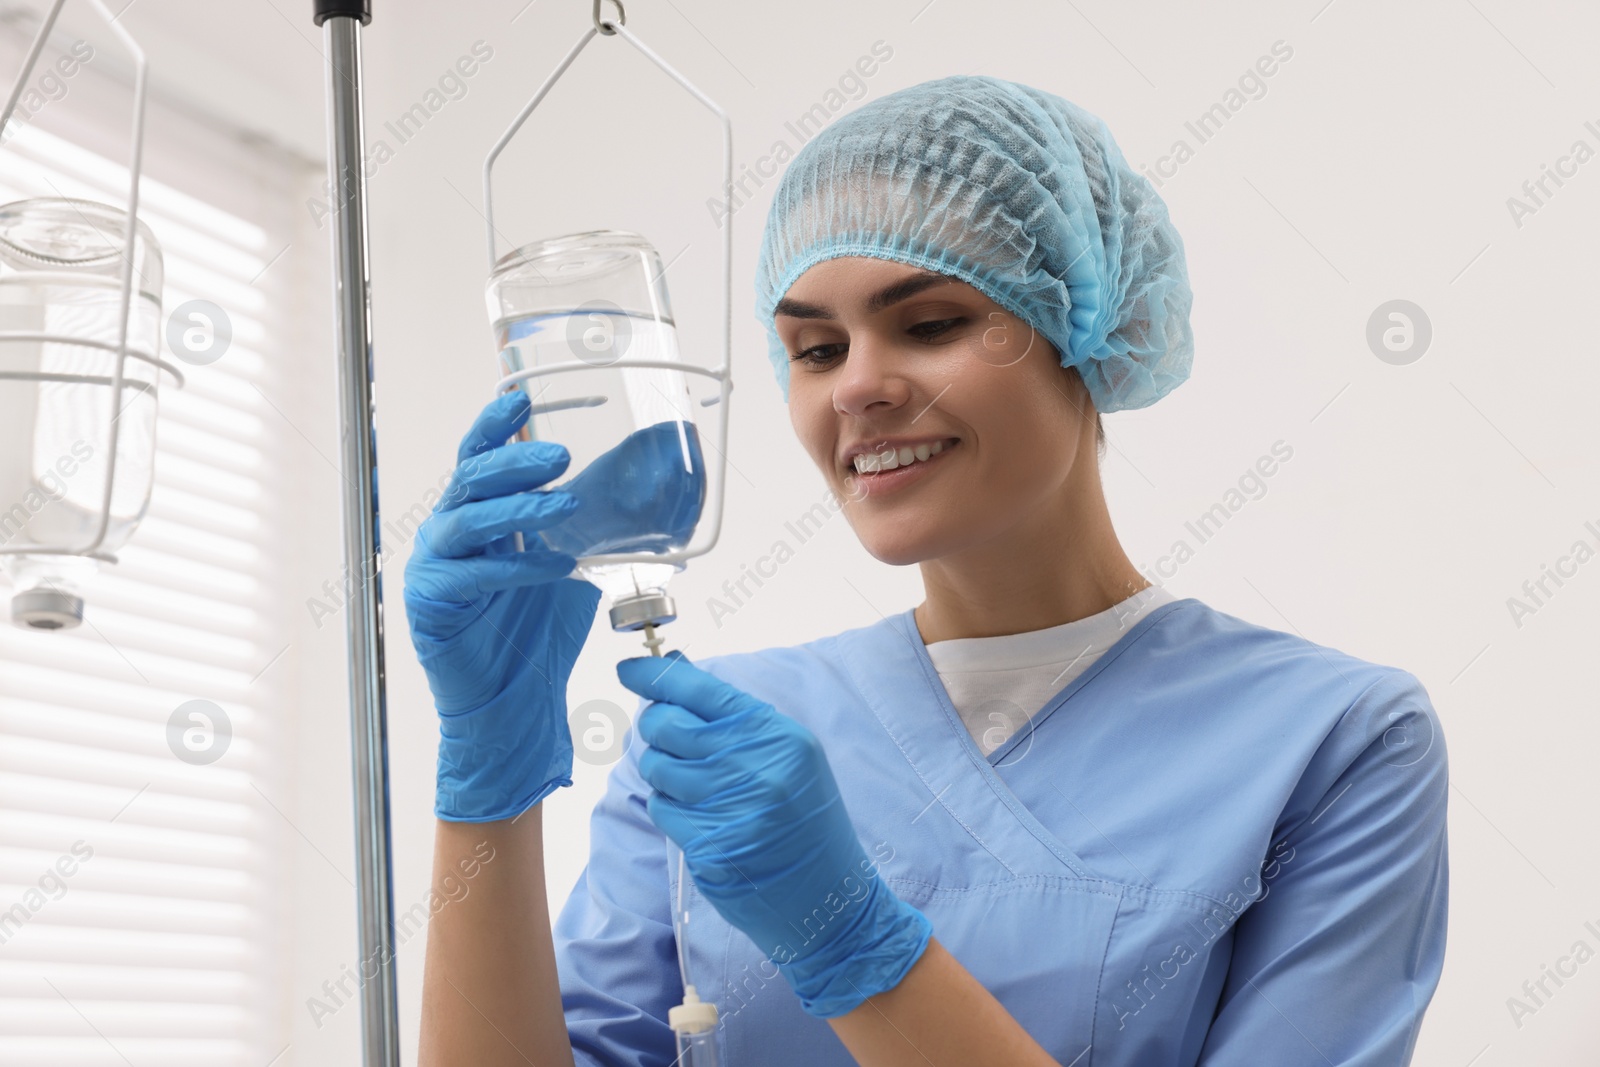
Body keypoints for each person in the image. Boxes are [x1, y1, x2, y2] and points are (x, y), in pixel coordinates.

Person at [407, 76, 1448, 1067]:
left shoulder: (1334, 739)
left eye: (931, 323)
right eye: (814, 349)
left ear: (1084, 327)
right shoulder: (716, 741)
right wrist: (487, 788)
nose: (856, 386)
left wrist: (854, 943)